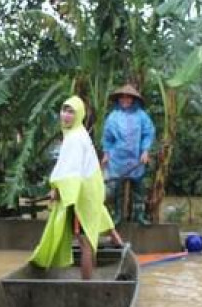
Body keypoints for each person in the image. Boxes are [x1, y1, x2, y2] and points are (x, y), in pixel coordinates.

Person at [29, 96, 123, 280]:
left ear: (79, 114)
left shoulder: (74, 138)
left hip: (82, 194)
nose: (65, 115)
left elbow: (72, 172)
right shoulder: (79, 133)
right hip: (90, 191)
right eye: (64, 110)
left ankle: (86, 283)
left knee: (84, 240)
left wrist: (58, 190)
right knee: (89, 235)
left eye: (71, 111)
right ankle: (116, 242)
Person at [101, 84, 155, 226]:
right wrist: (106, 153)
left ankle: (139, 215)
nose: (125, 100)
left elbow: (148, 133)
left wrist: (145, 151)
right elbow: (107, 137)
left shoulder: (141, 116)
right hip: (117, 158)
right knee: (117, 189)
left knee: (138, 188)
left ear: (133, 99)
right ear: (119, 99)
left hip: (136, 157)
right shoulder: (113, 117)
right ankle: (117, 216)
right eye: (122, 97)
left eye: (128, 97)